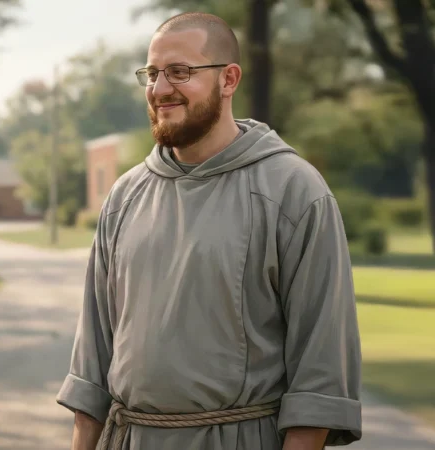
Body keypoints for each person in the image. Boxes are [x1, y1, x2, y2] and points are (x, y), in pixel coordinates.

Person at [56, 12, 362, 450]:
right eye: (153, 74)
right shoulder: (125, 196)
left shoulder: (294, 190)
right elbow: (92, 363)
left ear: (229, 79)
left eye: (180, 72)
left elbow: (321, 372)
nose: (161, 89)